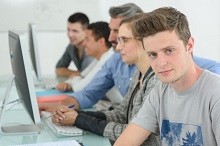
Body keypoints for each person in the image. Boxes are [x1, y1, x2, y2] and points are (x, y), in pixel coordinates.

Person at [39, 3, 220, 111]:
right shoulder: (116, 61)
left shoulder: (167, 67)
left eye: (119, 34)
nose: (111, 39)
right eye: (112, 32)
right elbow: (88, 93)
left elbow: (212, 74)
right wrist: (61, 108)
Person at [114, 7, 220, 146]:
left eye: (169, 50)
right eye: (153, 54)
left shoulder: (215, 93)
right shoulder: (159, 92)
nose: (161, 63)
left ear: (189, 45)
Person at [51, 15, 160, 145]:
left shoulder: (156, 81)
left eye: (124, 40)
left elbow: (132, 133)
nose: (118, 47)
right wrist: (77, 114)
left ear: (144, 41)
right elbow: (121, 115)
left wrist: (79, 119)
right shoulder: (139, 73)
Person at [55, 21, 113, 92]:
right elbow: (83, 75)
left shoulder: (107, 59)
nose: (84, 43)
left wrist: (75, 77)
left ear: (101, 42)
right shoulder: (98, 59)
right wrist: (68, 83)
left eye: (87, 39)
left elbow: (80, 88)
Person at [55, 12, 94, 78]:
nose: (70, 34)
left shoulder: (93, 48)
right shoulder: (72, 46)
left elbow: (89, 77)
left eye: (75, 31)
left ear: (86, 31)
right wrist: (78, 73)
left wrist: (80, 75)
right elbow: (58, 69)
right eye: (68, 30)